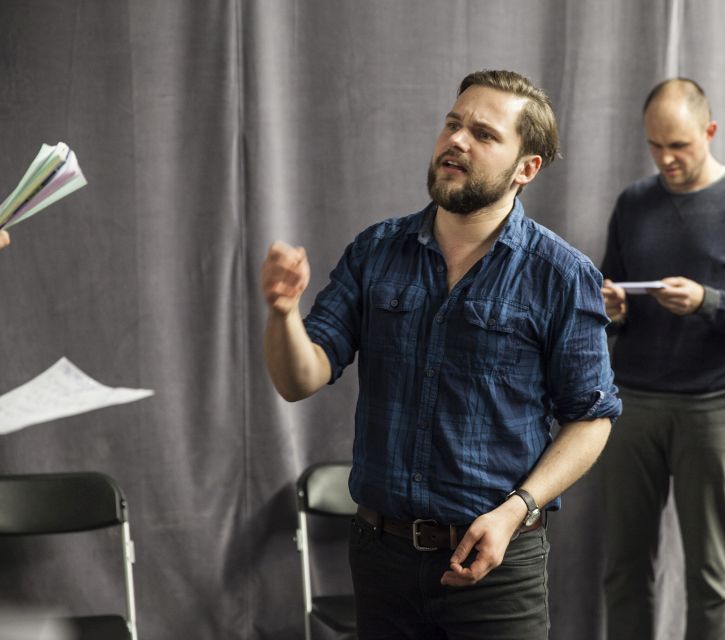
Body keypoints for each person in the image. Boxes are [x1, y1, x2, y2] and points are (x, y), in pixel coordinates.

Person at [260, 69, 621, 639]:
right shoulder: (376, 251)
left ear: (526, 168)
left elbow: (591, 418)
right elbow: (298, 378)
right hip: (381, 560)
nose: (456, 140)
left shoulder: (561, 275)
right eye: (453, 124)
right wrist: (283, 313)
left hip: (496, 566)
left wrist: (515, 511)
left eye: (483, 134)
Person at [599, 78, 725, 640]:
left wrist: (708, 302)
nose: (666, 159)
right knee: (624, 568)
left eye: (679, 145)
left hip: (714, 408)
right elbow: (611, 296)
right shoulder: (633, 203)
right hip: (632, 404)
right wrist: (613, 310)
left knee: (710, 575)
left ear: (709, 132)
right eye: (655, 145)